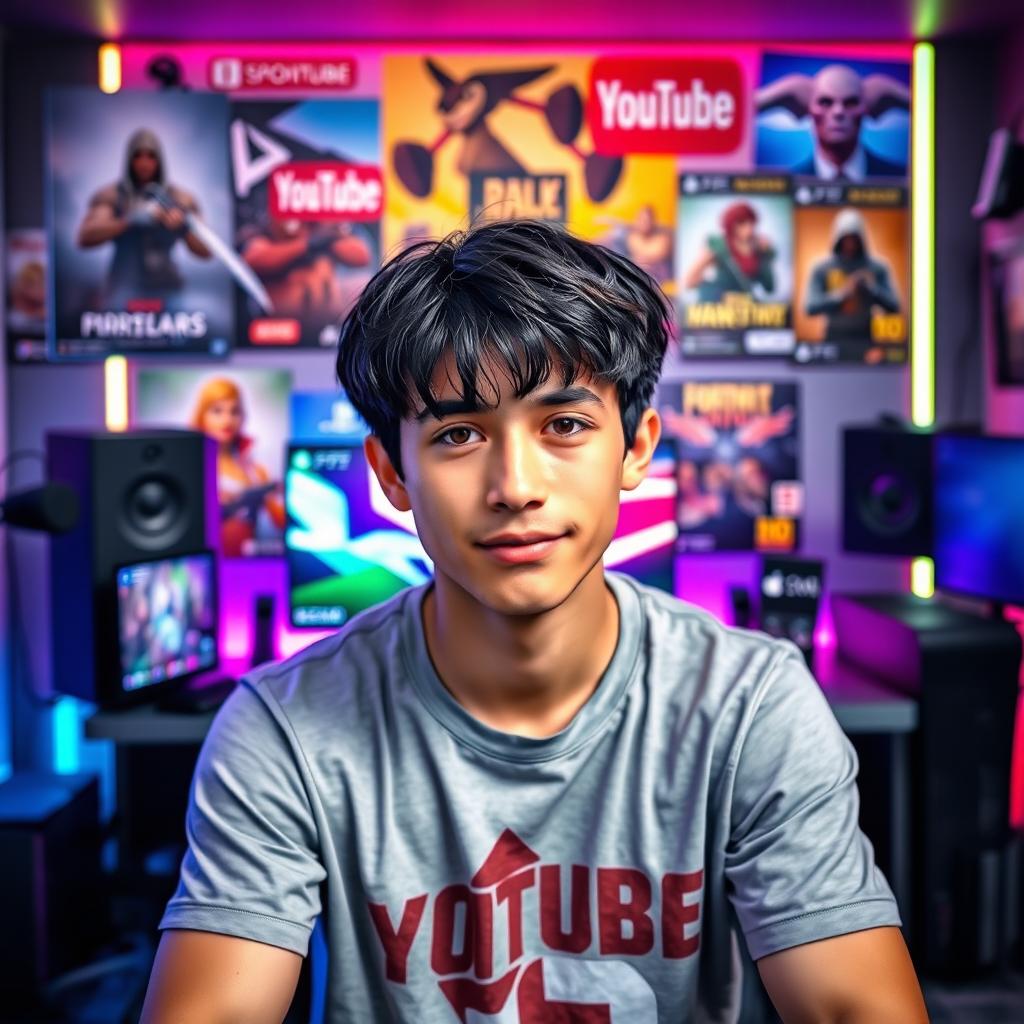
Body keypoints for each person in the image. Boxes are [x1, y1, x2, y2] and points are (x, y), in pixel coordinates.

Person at [140, 220, 927, 1022]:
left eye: (565, 425)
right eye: (457, 434)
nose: (515, 485)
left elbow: (854, 1006)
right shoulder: (285, 730)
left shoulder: (751, 706)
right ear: (390, 473)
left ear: (635, 447)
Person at [77, 128, 211, 306]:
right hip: (122, 289)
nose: (144, 163)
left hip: (168, 290)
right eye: (138, 156)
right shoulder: (112, 196)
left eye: (150, 156)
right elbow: (86, 236)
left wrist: (184, 227)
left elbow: (206, 250)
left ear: (159, 160)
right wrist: (128, 220)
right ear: (129, 159)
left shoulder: (180, 198)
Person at [756, 64, 909, 181]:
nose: (838, 112)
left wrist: (892, 91)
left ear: (866, 108)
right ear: (808, 108)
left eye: (850, 103)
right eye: (825, 102)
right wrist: (783, 90)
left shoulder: (901, 176)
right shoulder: (790, 181)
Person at [189, 376, 285, 558]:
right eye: (217, 411)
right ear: (202, 415)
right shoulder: (191, 468)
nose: (227, 419)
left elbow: (281, 521)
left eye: (234, 412)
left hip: (248, 564)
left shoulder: (255, 471)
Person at [804, 208, 901, 343]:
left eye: (854, 239)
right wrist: (842, 294)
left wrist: (872, 289)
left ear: (861, 239)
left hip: (865, 339)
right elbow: (810, 307)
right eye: (846, 239)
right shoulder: (822, 268)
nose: (850, 244)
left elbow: (895, 306)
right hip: (834, 337)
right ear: (838, 239)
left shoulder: (877, 267)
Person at [683, 201, 777, 302]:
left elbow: (769, 288)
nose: (748, 228)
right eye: (742, 223)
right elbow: (689, 281)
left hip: (745, 309)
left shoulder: (758, 249)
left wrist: (765, 255)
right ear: (731, 225)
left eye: (751, 222)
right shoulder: (718, 245)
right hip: (719, 306)